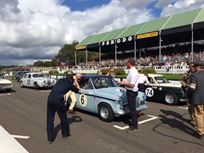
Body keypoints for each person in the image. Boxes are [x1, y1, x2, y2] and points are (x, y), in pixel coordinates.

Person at [47, 74, 79, 143]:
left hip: (50, 97)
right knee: (63, 117)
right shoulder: (70, 84)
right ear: (71, 79)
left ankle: (50, 138)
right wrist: (76, 82)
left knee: (50, 119)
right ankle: (65, 134)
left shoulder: (60, 80)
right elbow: (77, 90)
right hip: (58, 99)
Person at [120, 58, 139, 131]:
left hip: (131, 92)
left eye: (127, 63)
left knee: (132, 109)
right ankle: (134, 124)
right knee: (132, 108)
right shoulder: (132, 71)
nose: (126, 64)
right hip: (131, 91)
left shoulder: (133, 72)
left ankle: (134, 125)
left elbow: (132, 85)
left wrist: (124, 83)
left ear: (129, 64)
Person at [188, 61, 204, 140]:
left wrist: (188, 94)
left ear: (199, 67)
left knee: (199, 115)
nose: (193, 67)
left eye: (195, 66)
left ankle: (200, 132)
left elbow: (192, 88)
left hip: (198, 99)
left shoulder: (194, 76)